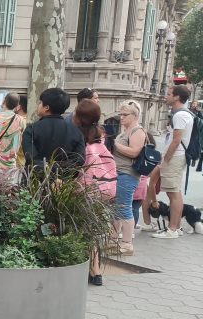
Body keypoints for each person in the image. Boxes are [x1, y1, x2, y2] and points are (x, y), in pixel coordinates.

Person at [73, 99, 113, 286]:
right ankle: (95, 271)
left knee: (82, 228)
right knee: (93, 227)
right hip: (103, 188)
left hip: (83, 189)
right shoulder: (101, 136)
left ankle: (89, 269)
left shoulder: (78, 137)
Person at [151, 84, 192, 239]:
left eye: (169, 94)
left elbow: (176, 140)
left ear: (176, 97)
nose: (166, 96)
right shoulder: (183, 114)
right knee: (175, 192)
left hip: (175, 157)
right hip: (177, 156)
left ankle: (172, 229)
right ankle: (177, 227)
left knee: (173, 193)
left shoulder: (180, 115)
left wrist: (165, 160)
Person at [110, 100, 147, 255]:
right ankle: (112, 240)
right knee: (116, 208)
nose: (121, 117)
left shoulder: (137, 131)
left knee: (124, 208)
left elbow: (134, 152)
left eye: (125, 114)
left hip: (127, 173)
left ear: (135, 115)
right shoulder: (124, 131)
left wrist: (114, 145)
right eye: (120, 114)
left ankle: (127, 244)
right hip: (119, 172)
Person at [22, 88, 85, 171]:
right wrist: (58, 170)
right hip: (65, 180)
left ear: (46, 107)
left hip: (35, 180)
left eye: (40, 102)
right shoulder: (76, 131)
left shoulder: (32, 129)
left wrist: (47, 169)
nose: (39, 105)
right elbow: (79, 159)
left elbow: (30, 157)